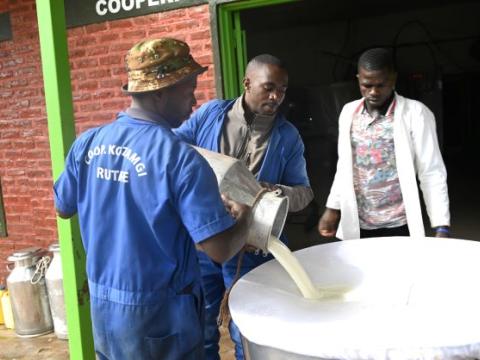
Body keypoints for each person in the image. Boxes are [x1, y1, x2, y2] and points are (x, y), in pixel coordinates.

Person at [53, 38, 258, 360]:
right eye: (189, 88)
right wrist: (246, 218)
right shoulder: (180, 158)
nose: (194, 99)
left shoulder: (87, 143)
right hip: (161, 315)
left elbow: (63, 207)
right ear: (161, 91)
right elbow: (218, 250)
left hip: (105, 309)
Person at [174, 54, 314, 360]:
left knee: (247, 331)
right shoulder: (212, 113)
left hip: (247, 249)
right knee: (200, 324)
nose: (276, 96)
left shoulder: (287, 137)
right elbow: (173, 144)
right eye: (269, 87)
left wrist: (275, 190)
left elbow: (305, 193)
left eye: (283, 90)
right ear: (247, 83)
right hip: (203, 242)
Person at [318, 47, 450, 240]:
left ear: (393, 79)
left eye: (381, 85)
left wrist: (441, 225)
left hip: (399, 223)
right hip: (358, 222)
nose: (373, 92)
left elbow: (431, 170)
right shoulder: (348, 113)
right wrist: (332, 208)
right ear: (358, 79)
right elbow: (345, 167)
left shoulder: (416, 114)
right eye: (366, 85)